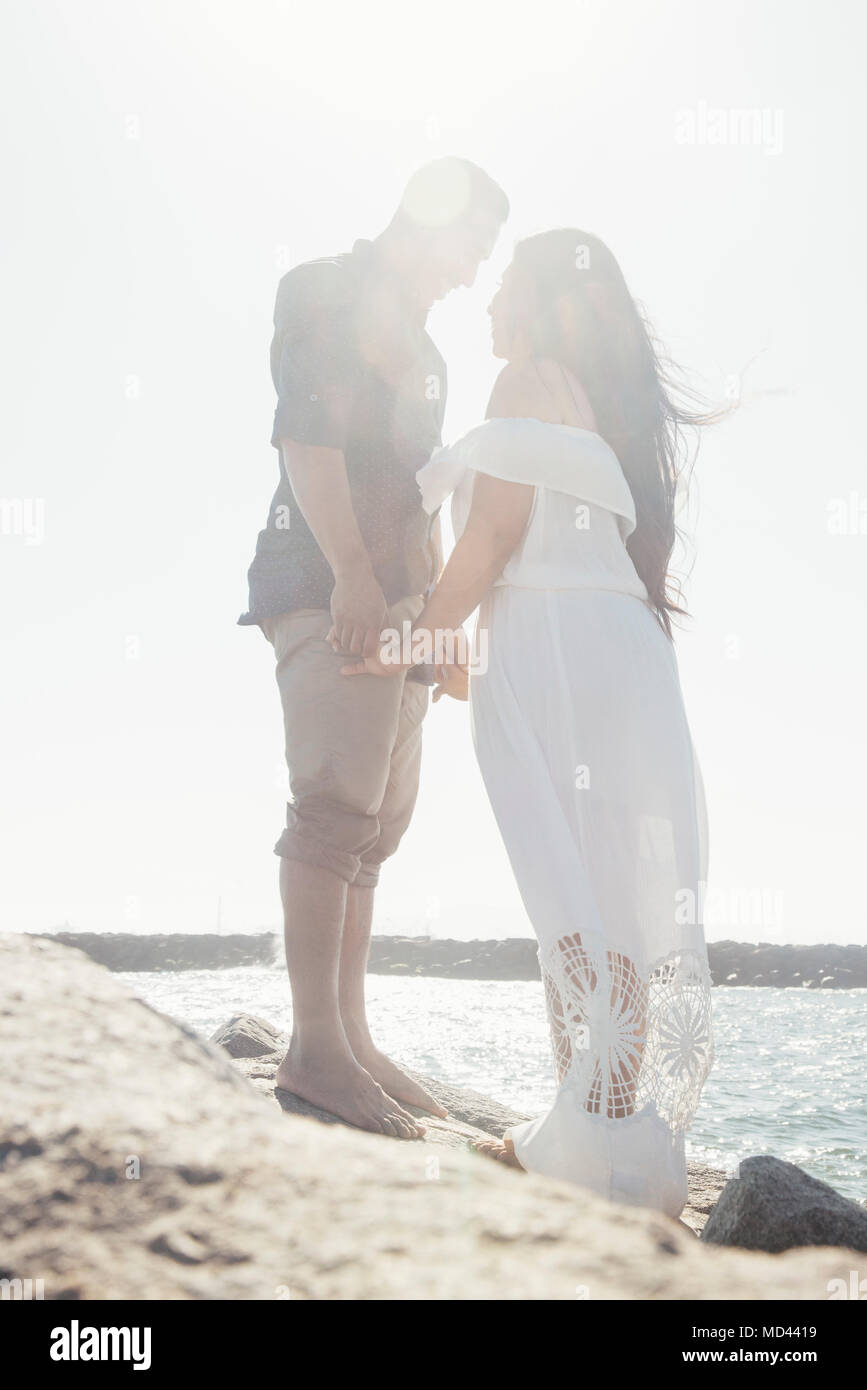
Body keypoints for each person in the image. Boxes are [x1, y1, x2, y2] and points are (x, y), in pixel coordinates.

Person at [343, 228, 714, 1214]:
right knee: (613, 909)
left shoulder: (524, 386)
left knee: (572, 904)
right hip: (624, 660)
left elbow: (499, 537)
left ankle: (584, 1145)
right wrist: (444, 653)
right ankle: (607, 1131)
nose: (491, 303)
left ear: (545, 301)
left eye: (507, 285)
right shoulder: (601, 412)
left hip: (557, 656)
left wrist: (407, 638)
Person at [238, 158, 509, 1138]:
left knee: (377, 827)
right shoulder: (324, 289)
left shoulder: (429, 352)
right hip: (324, 584)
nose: (473, 274)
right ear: (428, 218)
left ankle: (348, 1035)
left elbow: (419, 489)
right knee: (333, 809)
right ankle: (314, 1052)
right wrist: (351, 571)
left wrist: (437, 626)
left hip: (398, 605)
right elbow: (305, 438)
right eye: (471, 245)